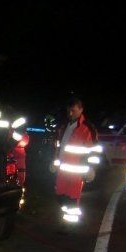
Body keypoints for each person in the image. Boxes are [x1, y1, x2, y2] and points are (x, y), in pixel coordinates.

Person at [50, 96, 100, 224]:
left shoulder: (87, 128)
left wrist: (91, 169)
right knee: (60, 197)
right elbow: (58, 147)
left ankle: (70, 226)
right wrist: (54, 162)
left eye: (73, 110)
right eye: (69, 111)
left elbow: (94, 151)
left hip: (77, 173)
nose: (70, 113)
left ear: (81, 110)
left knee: (72, 200)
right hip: (62, 171)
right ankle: (61, 221)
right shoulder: (63, 126)